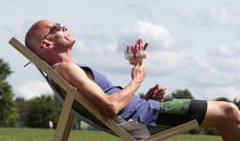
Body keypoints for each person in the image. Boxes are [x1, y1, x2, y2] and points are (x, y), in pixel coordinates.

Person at [24, 19, 240, 141]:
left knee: (227, 115)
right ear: (47, 44)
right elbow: (111, 107)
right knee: (229, 112)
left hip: (144, 111)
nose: (65, 27)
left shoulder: (66, 70)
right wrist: (137, 78)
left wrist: (142, 97)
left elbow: (109, 104)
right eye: (57, 27)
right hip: (146, 117)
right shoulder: (67, 69)